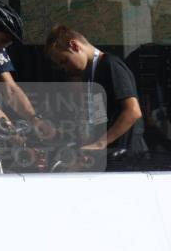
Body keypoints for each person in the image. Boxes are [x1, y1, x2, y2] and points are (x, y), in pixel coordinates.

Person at [44, 25, 147, 154]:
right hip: (110, 154)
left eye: (64, 61)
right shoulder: (91, 74)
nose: (65, 68)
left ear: (74, 46)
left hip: (127, 154)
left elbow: (133, 111)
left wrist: (99, 144)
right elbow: (100, 119)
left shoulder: (110, 65)